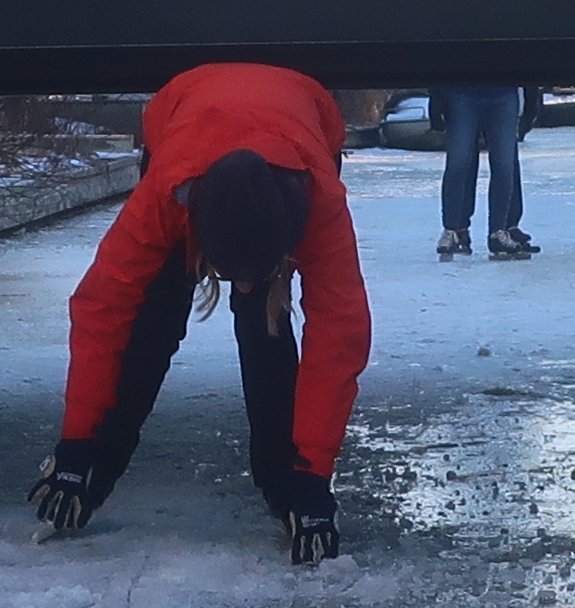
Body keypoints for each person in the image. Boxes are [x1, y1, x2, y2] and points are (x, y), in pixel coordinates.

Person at [35, 62, 371, 563]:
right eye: (229, 269)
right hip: (182, 118)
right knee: (151, 320)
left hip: (304, 121)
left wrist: (312, 477)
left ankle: (287, 484)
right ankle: (94, 471)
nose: (240, 286)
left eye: (254, 271)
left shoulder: (319, 198)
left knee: (266, 328)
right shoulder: (168, 191)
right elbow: (102, 309)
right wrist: (78, 443)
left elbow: (339, 337)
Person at [429, 82, 539, 260]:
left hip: (503, 93)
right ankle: (453, 229)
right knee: (458, 163)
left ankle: (499, 230)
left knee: (504, 164)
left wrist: (532, 98)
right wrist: (436, 97)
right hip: (460, 93)